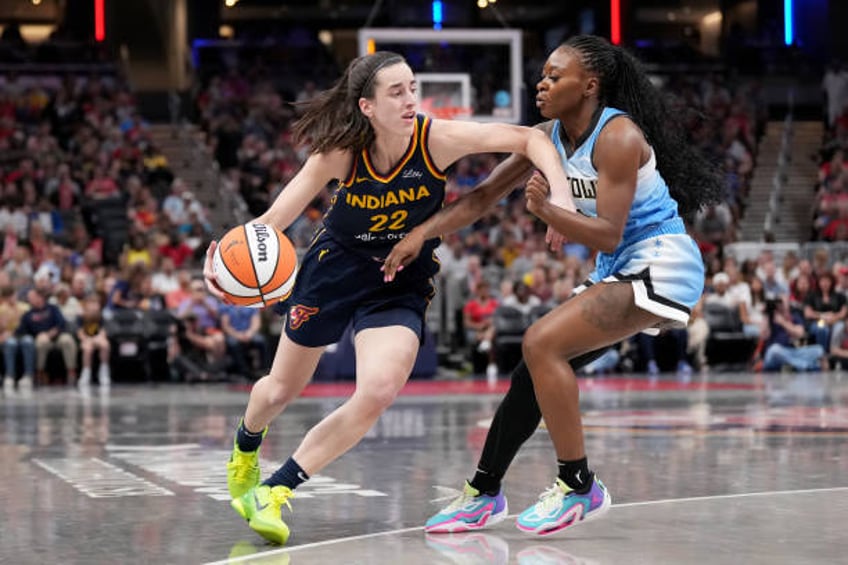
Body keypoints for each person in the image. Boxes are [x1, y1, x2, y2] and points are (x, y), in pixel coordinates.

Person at [201, 50, 574, 545]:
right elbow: (269, 224)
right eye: (396, 92)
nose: (410, 100)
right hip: (335, 271)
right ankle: (246, 445)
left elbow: (530, 137)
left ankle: (277, 488)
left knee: (378, 390)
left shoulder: (436, 138)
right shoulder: (337, 154)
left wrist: (562, 198)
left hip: (400, 276)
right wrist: (225, 273)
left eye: (413, 88)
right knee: (278, 391)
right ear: (367, 107)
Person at [382, 35, 722, 536]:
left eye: (554, 76)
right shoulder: (547, 137)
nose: (541, 83)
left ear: (589, 85)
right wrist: (419, 234)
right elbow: (482, 197)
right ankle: (482, 494)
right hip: (619, 263)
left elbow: (607, 230)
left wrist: (547, 210)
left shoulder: (618, 137)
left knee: (541, 342)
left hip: (662, 259)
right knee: (532, 371)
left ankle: (578, 484)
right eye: (541, 75)